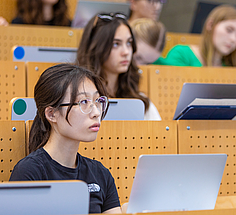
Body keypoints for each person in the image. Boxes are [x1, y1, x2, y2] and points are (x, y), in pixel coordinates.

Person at [9, 64, 122, 214]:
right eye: (83, 102)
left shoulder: (100, 173)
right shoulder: (30, 172)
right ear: (51, 114)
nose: (96, 112)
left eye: (97, 101)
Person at [76, 12, 161, 120]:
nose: (126, 52)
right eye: (116, 44)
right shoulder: (78, 101)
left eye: (129, 43)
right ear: (98, 48)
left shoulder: (140, 102)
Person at [161, 5, 236, 67]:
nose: (234, 39)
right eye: (229, 30)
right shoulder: (182, 54)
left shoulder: (231, 67)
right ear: (210, 25)